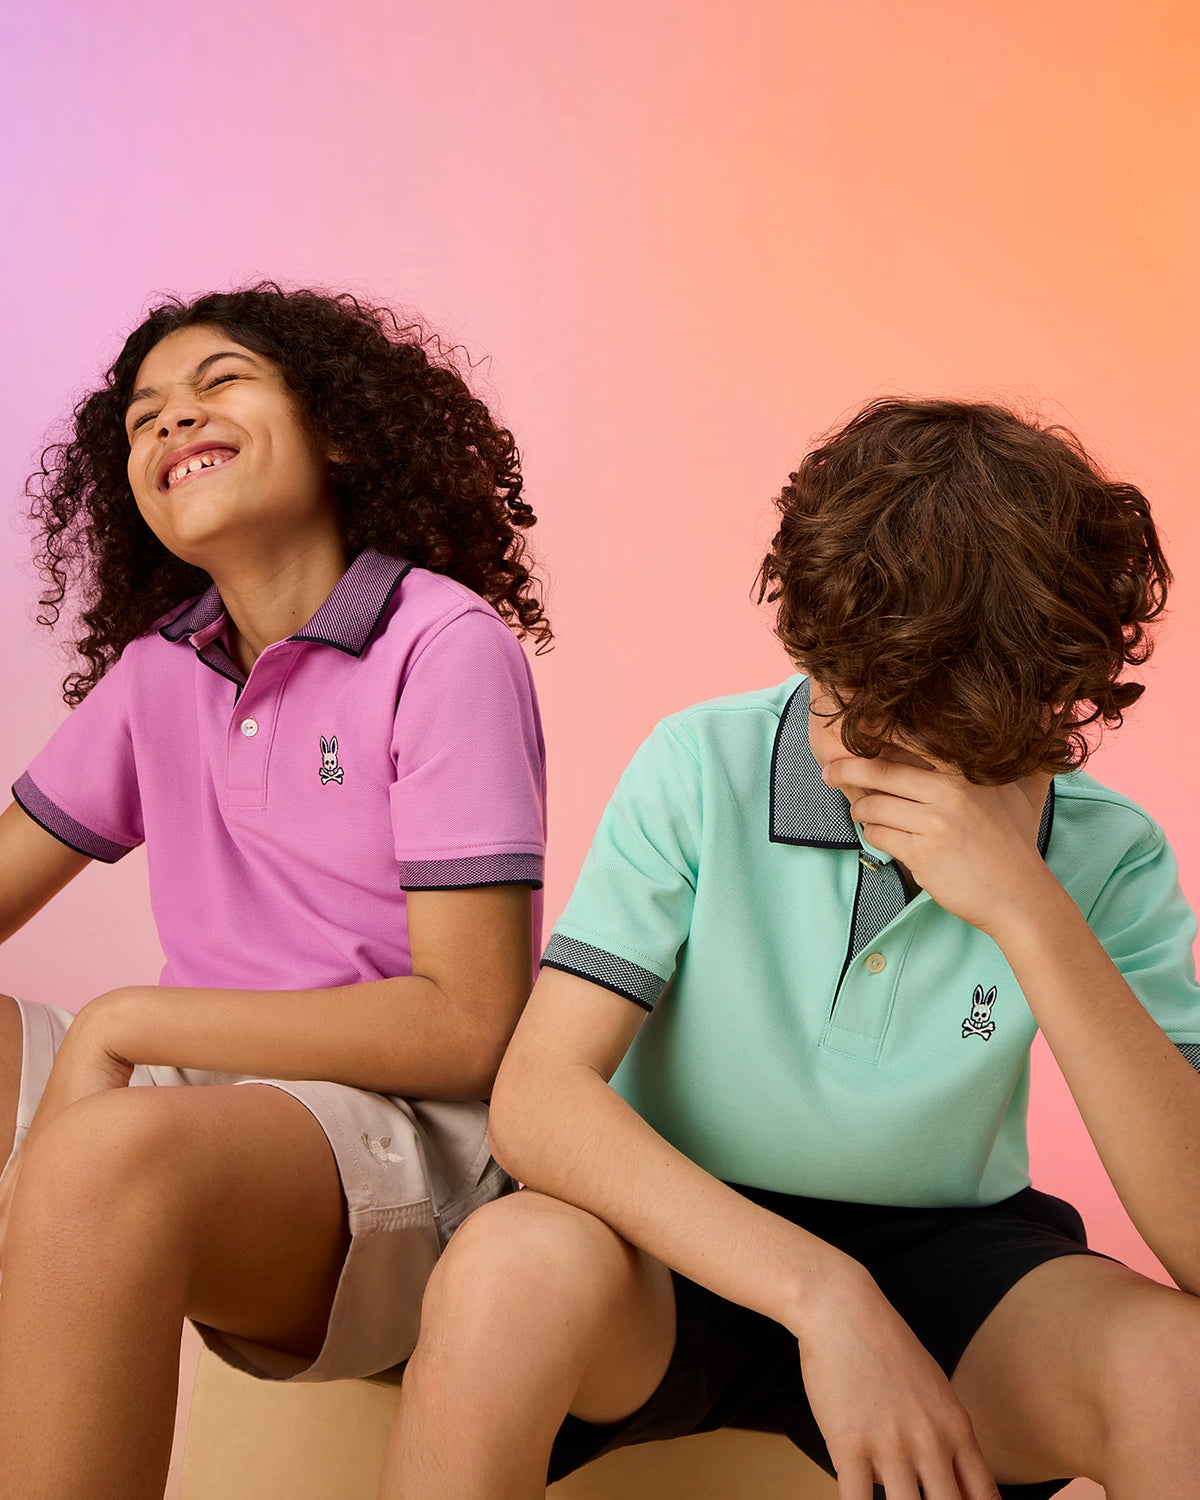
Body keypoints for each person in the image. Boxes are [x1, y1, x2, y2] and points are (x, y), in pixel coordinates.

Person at [385, 399, 1200, 1500]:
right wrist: (826, 1295)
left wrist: (1026, 903)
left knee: (1179, 1376)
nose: (870, 760)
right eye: (842, 706)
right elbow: (538, 1100)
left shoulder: (1111, 852)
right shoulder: (699, 764)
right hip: (669, 1239)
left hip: (955, 1257)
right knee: (504, 1269)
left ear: (1046, 709)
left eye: (938, 737)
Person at [0, 284, 549, 1499]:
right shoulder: (162, 671)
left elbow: (470, 1027)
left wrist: (128, 1022)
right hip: (196, 1112)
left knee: (109, 1153)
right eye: (142, 415)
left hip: (405, 1146)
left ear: (343, 429)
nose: (172, 419)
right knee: (117, 1139)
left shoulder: (439, 644)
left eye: (220, 381)